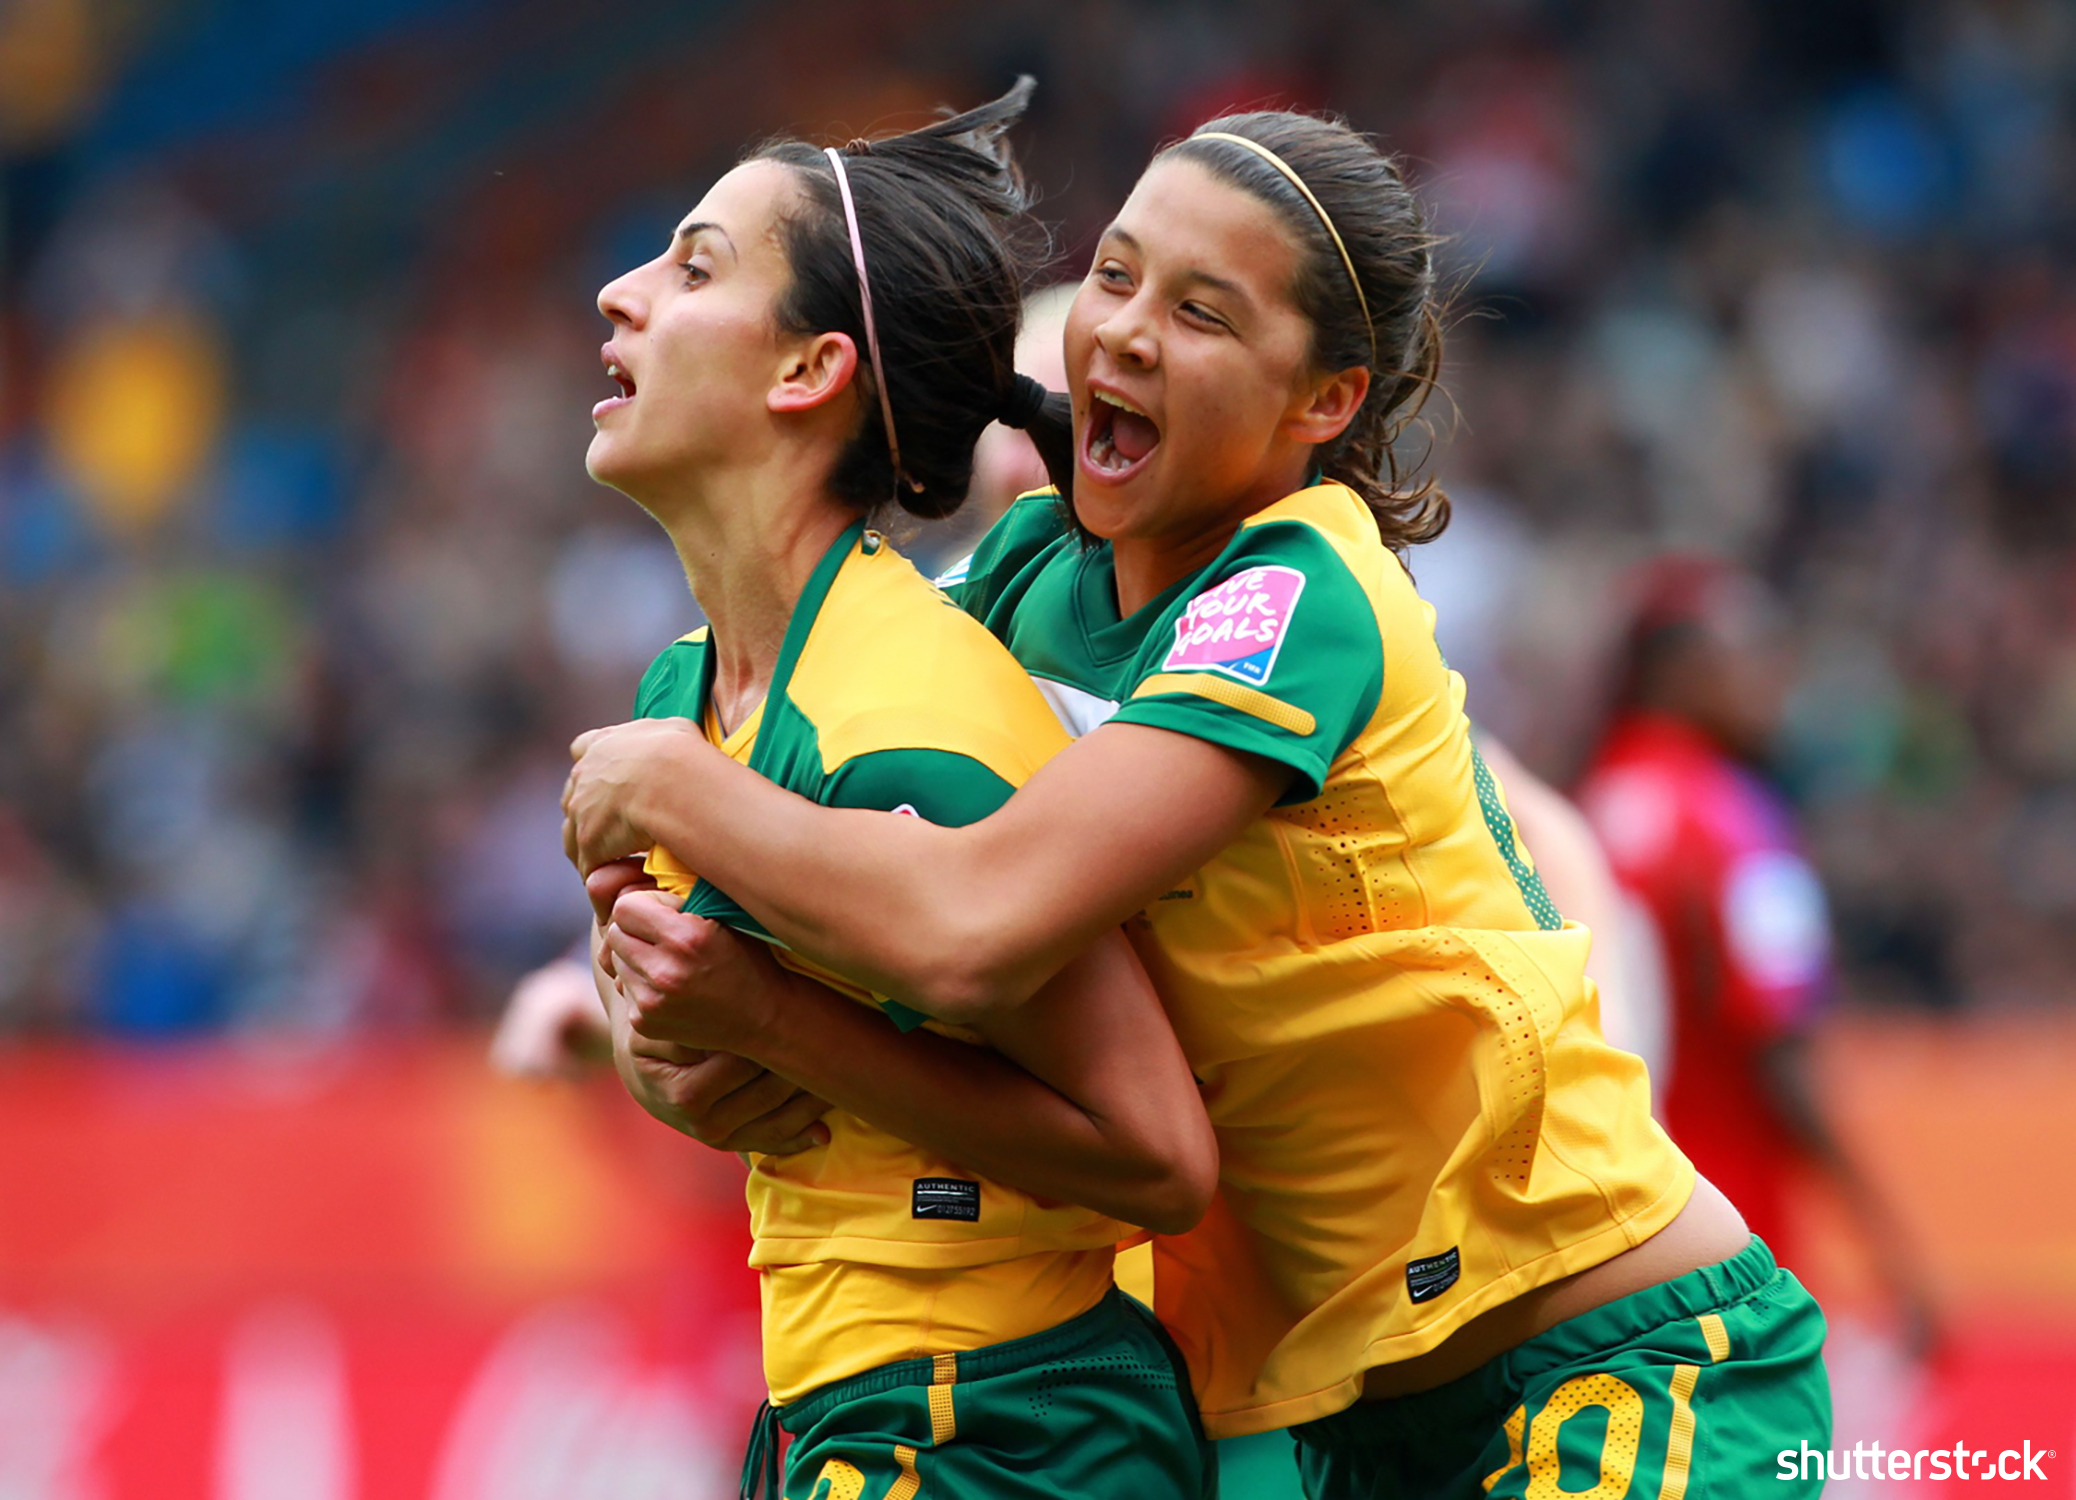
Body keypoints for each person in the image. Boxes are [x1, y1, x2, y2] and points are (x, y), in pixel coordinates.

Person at [565, 109, 1832, 1497]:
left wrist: (671, 790)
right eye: (1115, 277)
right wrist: (655, 1018)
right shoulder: (1027, 574)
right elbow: (831, 757)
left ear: (1325, 402)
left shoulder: (1296, 594)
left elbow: (974, 921)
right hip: (1359, 1422)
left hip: (1621, 1360)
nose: (1123, 333)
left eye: (1202, 313)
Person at [570, 80, 1220, 1500]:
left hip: (1004, 1425)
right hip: (857, 1411)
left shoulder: (906, 724)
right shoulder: (682, 697)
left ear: (809, 371)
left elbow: (1160, 1158)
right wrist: (653, 1045)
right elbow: (694, 1049)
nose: (620, 295)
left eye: (694, 269)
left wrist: (771, 1023)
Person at [1578, 555, 1935, 1350]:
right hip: (1730, 1244)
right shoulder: (1733, 821)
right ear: (1679, 671)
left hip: (1607, 1235)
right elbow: (1780, 1050)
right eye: (1752, 652)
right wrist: (1894, 1252)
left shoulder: (1582, 805)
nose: (1774, 677)